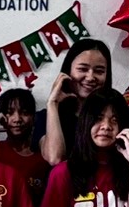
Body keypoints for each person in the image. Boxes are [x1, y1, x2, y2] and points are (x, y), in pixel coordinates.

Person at [39, 38, 116, 166]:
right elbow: (55, 158)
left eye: (99, 71)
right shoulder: (46, 117)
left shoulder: (114, 118)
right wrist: (52, 103)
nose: (90, 77)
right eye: (83, 69)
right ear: (68, 72)